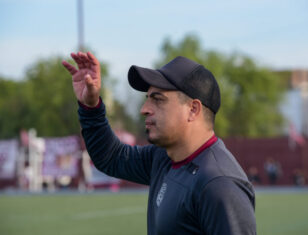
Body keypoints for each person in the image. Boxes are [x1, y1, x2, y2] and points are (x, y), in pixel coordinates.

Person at [62, 52, 256, 235]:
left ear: (193, 109)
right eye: (147, 99)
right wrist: (91, 106)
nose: (144, 109)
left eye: (158, 100)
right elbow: (111, 158)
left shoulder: (219, 184)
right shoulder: (164, 157)